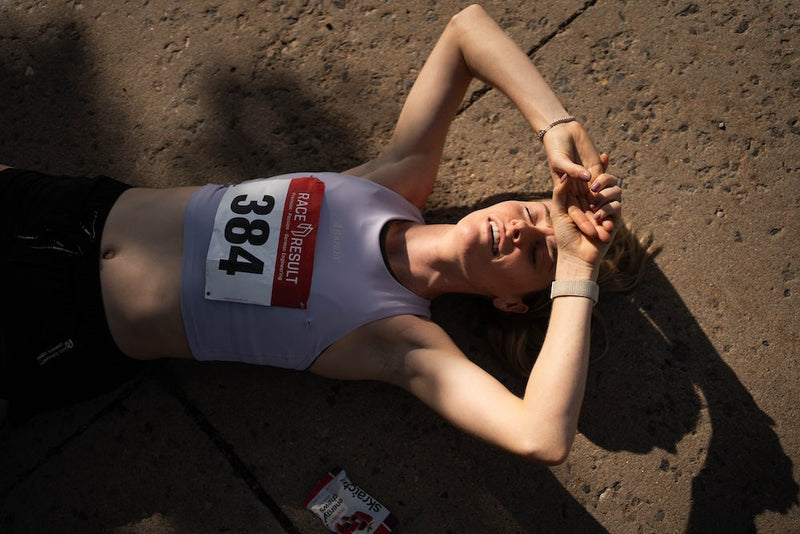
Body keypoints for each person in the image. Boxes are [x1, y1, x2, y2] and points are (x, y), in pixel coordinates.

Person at [1, 5, 626, 464]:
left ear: (511, 302)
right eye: (536, 212)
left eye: (541, 253)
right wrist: (555, 126)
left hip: (62, 327)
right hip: (67, 207)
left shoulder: (405, 342)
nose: (525, 229)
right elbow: (466, 31)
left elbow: (540, 436)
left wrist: (577, 268)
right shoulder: (396, 181)